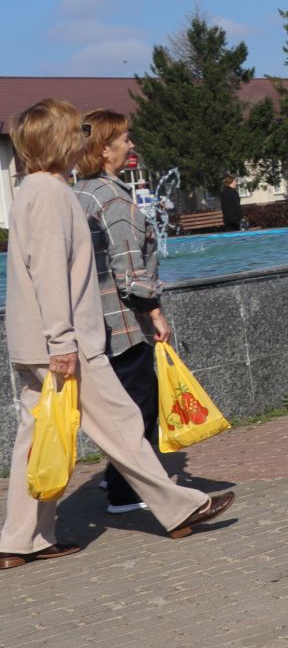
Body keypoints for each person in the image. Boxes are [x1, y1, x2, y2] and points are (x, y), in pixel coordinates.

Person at [4, 100, 236, 569]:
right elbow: (50, 274)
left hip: (42, 342)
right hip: (67, 344)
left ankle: (19, 540)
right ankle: (178, 506)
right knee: (123, 425)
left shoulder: (31, 189)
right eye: (75, 132)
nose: (80, 140)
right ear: (58, 139)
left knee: (37, 435)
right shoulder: (50, 194)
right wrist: (63, 343)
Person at [72, 110, 176, 514]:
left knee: (121, 406)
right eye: (125, 139)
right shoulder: (115, 198)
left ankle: (117, 478)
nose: (131, 146)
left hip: (93, 320)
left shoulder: (79, 193)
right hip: (123, 323)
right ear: (103, 149)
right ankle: (126, 492)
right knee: (139, 404)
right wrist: (155, 315)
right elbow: (130, 273)